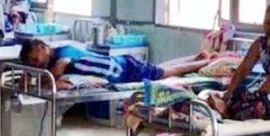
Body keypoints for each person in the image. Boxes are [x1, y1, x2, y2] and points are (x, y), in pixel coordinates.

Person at [209, 0, 270, 120]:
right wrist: (228, 94)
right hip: (266, 93)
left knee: (254, 107)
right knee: (237, 96)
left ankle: (227, 113)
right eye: (267, 23)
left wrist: (257, 95)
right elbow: (243, 69)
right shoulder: (261, 43)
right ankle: (226, 110)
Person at [19, 39, 213, 87]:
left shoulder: (63, 52)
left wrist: (39, 82)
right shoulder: (55, 57)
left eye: (36, 59)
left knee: (162, 72)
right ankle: (196, 58)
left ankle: (202, 63)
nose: (37, 64)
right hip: (120, 66)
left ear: (41, 46)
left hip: (122, 69)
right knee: (158, 68)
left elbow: (58, 72)